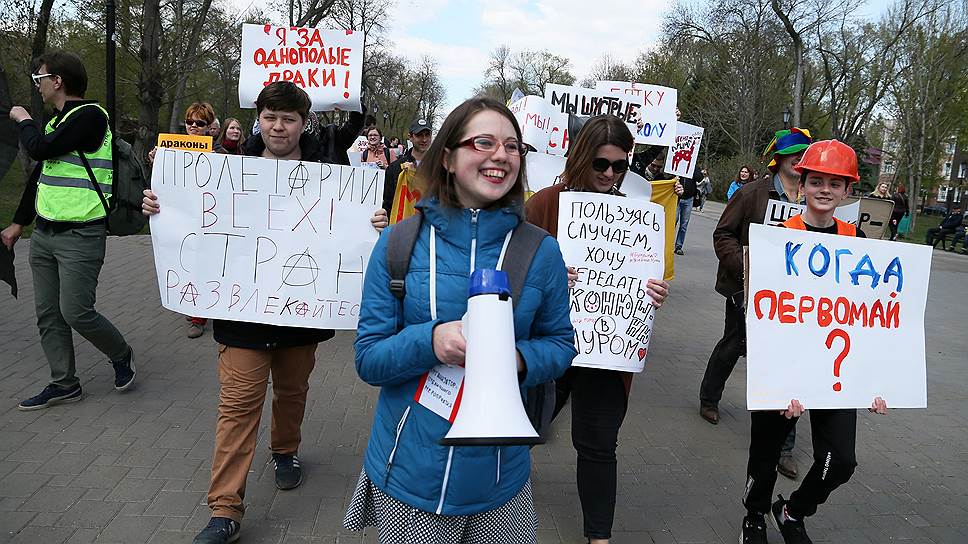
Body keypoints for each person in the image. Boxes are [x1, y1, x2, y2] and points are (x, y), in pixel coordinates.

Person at [342, 96, 576, 544]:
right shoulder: (398, 244)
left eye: (512, 146)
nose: (500, 156)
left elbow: (561, 345)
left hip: (500, 483)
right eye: (484, 142)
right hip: (409, 475)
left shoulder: (540, 249)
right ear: (447, 157)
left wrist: (516, 359)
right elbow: (369, 360)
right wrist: (431, 341)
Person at [142, 82, 367, 544]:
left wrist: (372, 222)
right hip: (242, 319)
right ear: (257, 119)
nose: (277, 127)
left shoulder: (331, 173)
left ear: (304, 123)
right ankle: (224, 511)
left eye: (287, 119)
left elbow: (348, 229)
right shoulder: (227, 169)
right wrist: (160, 207)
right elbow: (193, 215)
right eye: (269, 117)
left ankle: (285, 451)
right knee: (237, 410)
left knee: (291, 391)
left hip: (300, 315)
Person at [525, 115, 673, 544]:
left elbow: (644, 277)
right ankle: (484, 505)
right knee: (522, 431)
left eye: (620, 166)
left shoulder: (636, 216)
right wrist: (548, 277)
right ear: (580, 159)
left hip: (607, 350)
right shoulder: (545, 204)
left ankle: (599, 537)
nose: (610, 175)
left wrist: (653, 292)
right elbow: (512, 274)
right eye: (600, 165)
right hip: (549, 345)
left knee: (598, 444)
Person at [739, 139, 889, 544]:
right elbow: (763, 315)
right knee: (766, 453)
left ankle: (792, 510)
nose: (825, 189)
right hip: (782, 367)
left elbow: (869, 318)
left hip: (833, 370)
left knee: (840, 460)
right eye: (816, 180)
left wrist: (878, 381)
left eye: (835, 183)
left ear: (847, 192)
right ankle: (754, 515)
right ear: (801, 184)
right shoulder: (777, 237)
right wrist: (783, 380)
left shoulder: (855, 241)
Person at [1, 50, 135, 410]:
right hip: (45, 234)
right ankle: (63, 383)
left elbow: (40, 149)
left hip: (82, 235)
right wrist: (18, 223)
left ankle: (121, 353)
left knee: (76, 311)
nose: (39, 85)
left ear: (57, 81)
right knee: (48, 313)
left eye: (40, 78)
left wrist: (23, 119)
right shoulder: (54, 124)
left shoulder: (91, 116)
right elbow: (41, 177)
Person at [699, 128, 813, 481]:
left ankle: (784, 447)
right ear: (779, 159)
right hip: (745, 290)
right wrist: (745, 267)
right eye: (794, 154)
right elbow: (723, 234)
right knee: (735, 344)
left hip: (795, 300)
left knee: (790, 365)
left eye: (804, 153)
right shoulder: (752, 194)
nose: (800, 159)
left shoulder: (812, 196)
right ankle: (709, 397)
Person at [380, 118, 433, 213]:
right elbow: (388, 204)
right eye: (419, 135)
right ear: (410, 137)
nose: (424, 139)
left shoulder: (439, 168)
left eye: (427, 135)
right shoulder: (395, 168)